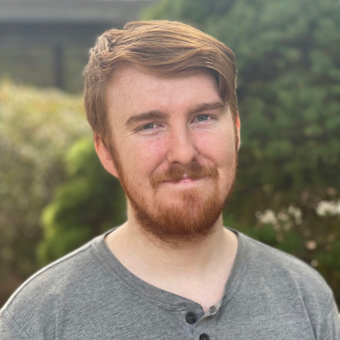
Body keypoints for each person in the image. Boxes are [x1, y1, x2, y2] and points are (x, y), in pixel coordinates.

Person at [0, 20, 339, 340]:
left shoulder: (305, 297)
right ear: (106, 151)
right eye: (150, 125)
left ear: (235, 131)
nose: (183, 152)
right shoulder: (40, 321)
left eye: (202, 117)